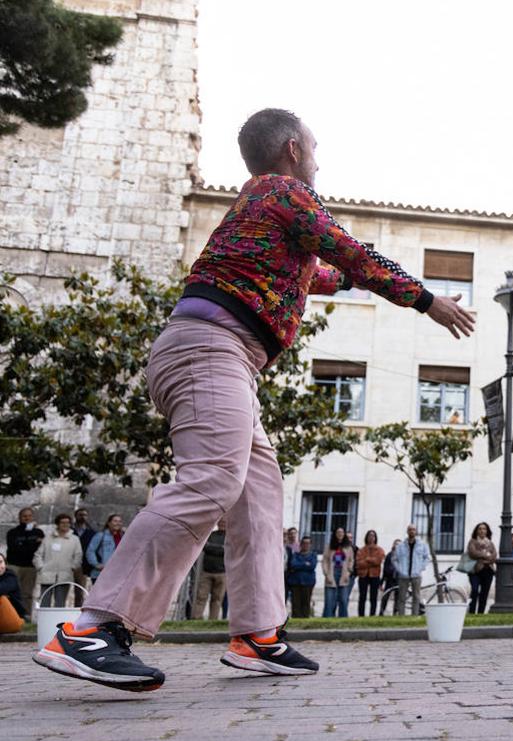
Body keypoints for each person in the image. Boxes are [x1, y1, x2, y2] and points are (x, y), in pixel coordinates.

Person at [35, 109, 476, 689]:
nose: (319, 159)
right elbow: (350, 252)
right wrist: (425, 299)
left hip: (223, 357)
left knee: (259, 493)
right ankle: (93, 628)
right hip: (210, 350)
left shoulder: (260, 213)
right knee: (213, 479)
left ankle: (257, 635)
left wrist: (348, 278)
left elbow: (320, 273)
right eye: (316, 148)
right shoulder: (283, 191)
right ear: (293, 148)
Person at [35, 514, 83, 607]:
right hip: (47, 573)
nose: (65, 525)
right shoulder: (48, 538)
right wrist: (40, 567)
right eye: (62, 522)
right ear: (58, 524)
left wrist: (73, 567)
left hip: (65, 574)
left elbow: (78, 555)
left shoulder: (74, 539)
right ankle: (44, 620)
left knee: (60, 602)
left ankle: (57, 621)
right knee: (45, 600)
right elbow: (38, 554)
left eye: (67, 523)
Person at [5, 507, 43, 620]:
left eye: (29, 516)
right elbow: (14, 548)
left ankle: (26, 616)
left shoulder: (38, 532)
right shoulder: (13, 532)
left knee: (27, 593)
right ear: (20, 518)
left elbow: (39, 550)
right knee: (11, 592)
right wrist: (32, 543)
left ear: (33, 517)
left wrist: (25, 543)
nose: (27, 518)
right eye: (24, 516)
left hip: (30, 567)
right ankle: (12, 616)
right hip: (15, 565)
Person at [190, 522, 228, 620]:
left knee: (217, 600)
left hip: (222, 573)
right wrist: (220, 549)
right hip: (207, 572)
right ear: (218, 523)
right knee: (201, 597)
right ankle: (196, 619)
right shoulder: (211, 535)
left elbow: (228, 550)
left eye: (225, 522)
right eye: (221, 522)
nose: (223, 524)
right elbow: (204, 546)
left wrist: (213, 548)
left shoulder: (230, 537)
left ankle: (213, 620)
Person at [392, 525, 431, 616]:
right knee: (401, 597)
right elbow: (394, 559)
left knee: (416, 597)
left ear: (416, 531)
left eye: (413, 530)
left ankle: (414, 616)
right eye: (410, 530)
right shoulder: (401, 546)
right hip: (403, 575)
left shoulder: (422, 545)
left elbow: (427, 558)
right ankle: (401, 617)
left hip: (416, 575)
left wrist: (421, 568)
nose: (412, 531)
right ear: (407, 531)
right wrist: (400, 569)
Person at [321, 527, 353, 618]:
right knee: (330, 599)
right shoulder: (329, 546)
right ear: (335, 534)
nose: (340, 534)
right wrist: (326, 574)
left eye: (342, 532)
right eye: (338, 532)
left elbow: (351, 560)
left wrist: (348, 572)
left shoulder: (348, 547)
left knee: (343, 598)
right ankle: (328, 617)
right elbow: (325, 561)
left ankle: (343, 618)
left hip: (343, 573)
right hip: (332, 572)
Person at [466, 523, 497, 614]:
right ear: (476, 531)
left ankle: (481, 613)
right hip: (475, 571)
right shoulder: (473, 541)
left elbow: (494, 556)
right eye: (480, 529)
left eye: (484, 529)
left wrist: (485, 559)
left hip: (488, 571)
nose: (482, 531)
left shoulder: (490, 543)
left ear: (487, 531)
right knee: (475, 590)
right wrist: (486, 555)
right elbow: (473, 553)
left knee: (484, 593)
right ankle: (472, 612)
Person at [85, 515, 125, 583]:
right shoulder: (101, 535)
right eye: (115, 521)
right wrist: (96, 564)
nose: (118, 523)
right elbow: (90, 551)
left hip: (117, 573)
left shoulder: (123, 537)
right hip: (101, 573)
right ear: (108, 523)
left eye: (120, 521)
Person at [355, 530, 385, 617]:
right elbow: (359, 563)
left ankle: (372, 615)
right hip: (363, 575)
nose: (371, 538)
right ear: (366, 538)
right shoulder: (361, 550)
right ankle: (361, 615)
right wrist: (371, 561)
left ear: (375, 538)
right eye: (369, 536)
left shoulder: (379, 550)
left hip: (375, 575)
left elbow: (378, 561)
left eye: (373, 536)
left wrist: (367, 559)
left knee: (373, 597)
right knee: (362, 597)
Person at [287, 537, 317, 618]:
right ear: (300, 545)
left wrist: (300, 565)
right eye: (304, 543)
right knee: (296, 603)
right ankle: (296, 618)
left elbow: (312, 566)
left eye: (308, 543)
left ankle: (305, 618)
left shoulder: (313, 555)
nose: (306, 545)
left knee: (306, 602)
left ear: (310, 545)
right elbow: (293, 565)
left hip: (308, 582)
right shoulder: (295, 555)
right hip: (295, 582)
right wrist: (305, 564)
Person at [72, 509, 95, 605]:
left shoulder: (91, 532)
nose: (82, 517)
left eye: (85, 515)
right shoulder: (70, 530)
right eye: (80, 515)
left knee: (79, 590)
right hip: (68, 562)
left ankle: (77, 611)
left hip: (83, 564)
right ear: (76, 516)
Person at [0, 553, 27, 632]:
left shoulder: (10, 576)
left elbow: (1, 589)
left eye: (1, 562)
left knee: (2, 598)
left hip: (13, 618)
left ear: (5, 563)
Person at [379, 539, 400, 615]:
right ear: (393, 545)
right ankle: (381, 612)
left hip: (399, 579)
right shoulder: (389, 555)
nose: (397, 546)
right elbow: (385, 569)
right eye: (396, 544)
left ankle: (395, 613)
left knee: (397, 598)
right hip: (389, 579)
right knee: (385, 596)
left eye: (399, 544)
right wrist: (381, 582)